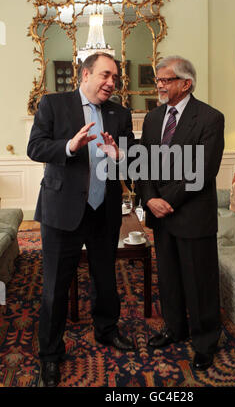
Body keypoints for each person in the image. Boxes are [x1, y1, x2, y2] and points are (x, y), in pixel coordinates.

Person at [27, 52, 135, 387]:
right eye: (105, 75)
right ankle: (50, 355)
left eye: (115, 78)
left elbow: (131, 162)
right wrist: (70, 147)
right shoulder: (53, 104)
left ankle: (106, 330)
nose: (111, 83)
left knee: (106, 280)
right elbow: (35, 148)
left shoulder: (120, 113)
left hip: (104, 211)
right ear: (85, 74)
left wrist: (122, 156)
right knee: (55, 287)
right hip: (62, 211)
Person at [137, 56, 224, 371]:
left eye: (166, 80)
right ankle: (175, 328)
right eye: (158, 80)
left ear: (186, 83)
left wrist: (166, 201)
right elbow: (142, 162)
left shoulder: (210, 118)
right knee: (169, 279)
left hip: (193, 215)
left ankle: (205, 341)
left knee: (199, 282)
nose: (159, 85)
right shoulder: (152, 118)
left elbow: (203, 170)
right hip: (161, 217)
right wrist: (149, 199)